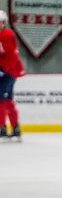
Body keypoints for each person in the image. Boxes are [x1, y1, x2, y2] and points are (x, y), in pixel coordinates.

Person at [0, 10, 25, 140]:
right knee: (7, 100)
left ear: (3, 23)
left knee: (2, 100)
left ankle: (3, 128)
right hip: (5, 71)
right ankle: (14, 128)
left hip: (8, 72)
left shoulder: (6, 35)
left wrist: (4, 70)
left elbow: (12, 55)